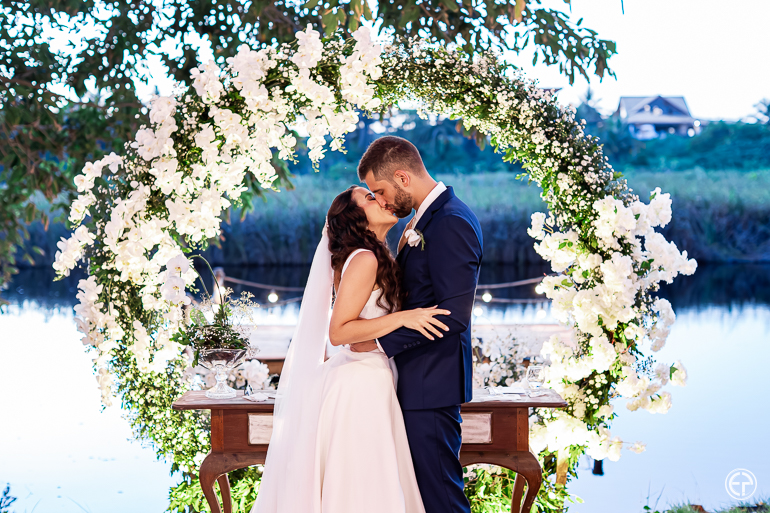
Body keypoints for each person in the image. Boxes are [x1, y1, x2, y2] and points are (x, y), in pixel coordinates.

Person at [253, 185, 451, 513]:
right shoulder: (364, 259)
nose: (381, 199)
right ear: (355, 217)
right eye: (370, 198)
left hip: (367, 373)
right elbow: (339, 331)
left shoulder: (372, 255)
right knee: (363, 485)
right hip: (360, 383)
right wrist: (405, 317)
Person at [357, 135, 483, 513]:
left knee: (440, 498)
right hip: (415, 381)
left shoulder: (450, 222)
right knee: (422, 497)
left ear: (402, 177)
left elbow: (452, 315)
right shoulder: (424, 220)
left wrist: (379, 342)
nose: (382, 201)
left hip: (431, 384)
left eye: (381, 191)